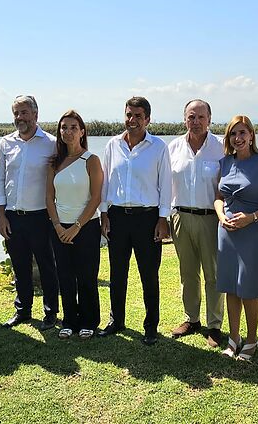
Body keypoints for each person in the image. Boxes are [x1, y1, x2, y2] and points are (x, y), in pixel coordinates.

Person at [98, 96, 172, 346]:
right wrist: (104, 214)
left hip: (148, 218)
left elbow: (166, 185)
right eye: (129, 114)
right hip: (117, 216)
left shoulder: (159, 147)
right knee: (117, 274)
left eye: (138, 116)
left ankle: (151, 326)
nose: (132, 120)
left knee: (148, 274)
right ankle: (116, 320)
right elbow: (106, 182)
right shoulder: (112, 145)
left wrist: (163, 219)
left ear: (148, 119)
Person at [215, 115, 258, 360]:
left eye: (242, 133)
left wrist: (251, 218)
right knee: (231, 286)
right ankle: (233, 338)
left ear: (251, 135)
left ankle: (252, 339)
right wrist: (221, 217)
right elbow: (218, 197)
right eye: (233, 134)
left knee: (248, 288)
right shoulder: (224, 163)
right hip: (227, 231)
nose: (238, 138)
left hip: (253, 231)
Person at [0, 95, 59, 330]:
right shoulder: (5, 143)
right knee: (19, 265)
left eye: (24, 112)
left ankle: (51, 312)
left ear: (35, 114)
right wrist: (1, 215)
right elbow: (0, 179)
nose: (19, 118)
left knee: (46, 265)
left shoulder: (51, 143)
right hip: (13, 215)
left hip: (41, 216)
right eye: (16, 113)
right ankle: (23, 310)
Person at [168, 99, 225, 347]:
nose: (196, 122)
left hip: (211, 219)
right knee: (187, 272)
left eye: (201, 117)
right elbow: (164, 186)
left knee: (213, 274)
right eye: (191, 117)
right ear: (184, 119)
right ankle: (192, 319)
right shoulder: (173, 148)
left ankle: (214, 325)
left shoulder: (222, 148)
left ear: (210, 120)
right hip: (180, 217)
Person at [45, 110, 103, 339]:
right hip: (59, 228)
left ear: (82, 131)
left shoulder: (91, 160)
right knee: (65, 276)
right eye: (63, 128)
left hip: (86, 227)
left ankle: (89, 320)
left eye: (72, 128)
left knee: (87, 276)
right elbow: (49, 198)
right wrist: (59, 226)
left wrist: (77, 227)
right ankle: (69, 319)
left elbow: (96, 197)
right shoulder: (54, 163)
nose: (67, 132)